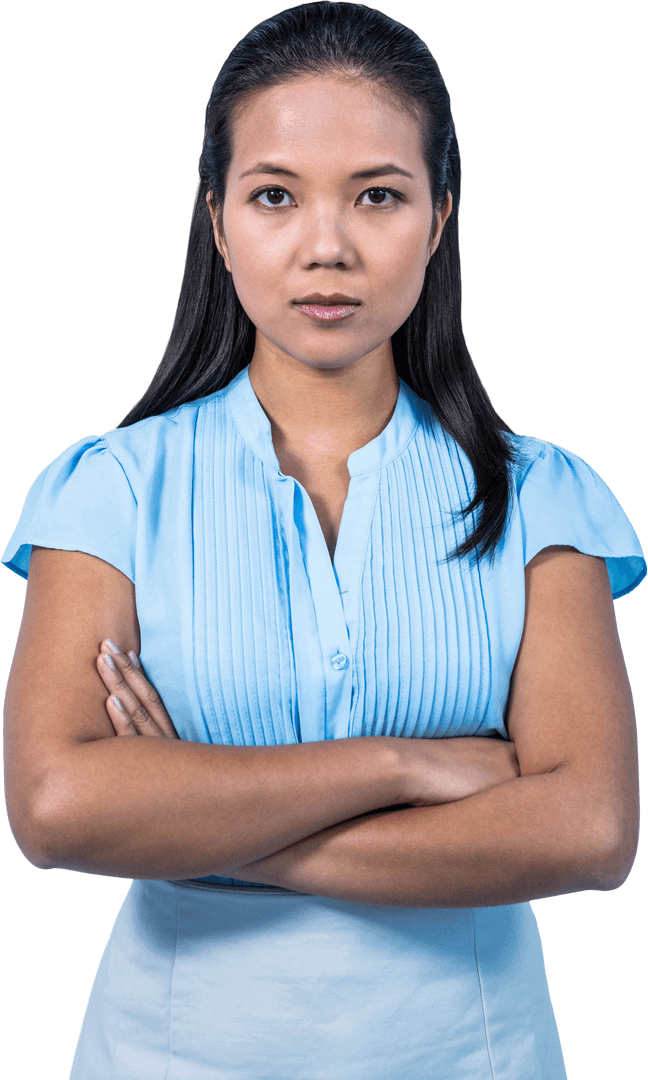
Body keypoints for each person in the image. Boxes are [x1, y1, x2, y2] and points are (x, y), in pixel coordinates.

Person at [2, 2, 645, 1077]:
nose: (327, 247)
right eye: (274, 196)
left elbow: (590, 831)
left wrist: (204, 822)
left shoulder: (541, 497)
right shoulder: (111, 489)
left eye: (378, 195)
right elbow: (57, 809)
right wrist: (407, 763)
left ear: (439, 219)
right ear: (217, 220)